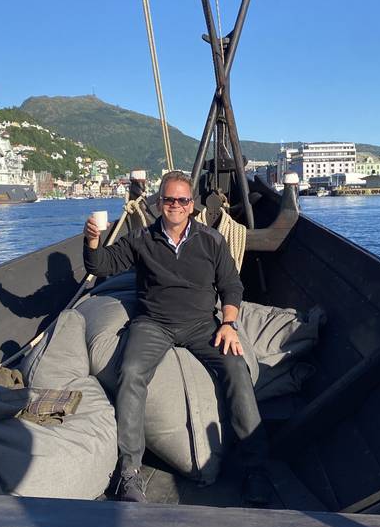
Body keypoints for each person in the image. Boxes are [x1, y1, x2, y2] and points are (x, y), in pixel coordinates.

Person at [83, 170, 271, 506]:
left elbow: (231, 286)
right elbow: (102, 266)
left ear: (192, 206)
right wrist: (93, 241)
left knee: (237, 370)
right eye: (169, 199)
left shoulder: (211, 241)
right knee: (131, 373)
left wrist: (228, 324)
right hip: (154, 323)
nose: (176, 206)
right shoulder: (141, 239)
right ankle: (129, 471)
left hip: (202, 324)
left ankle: (255, 468)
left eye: (183, 200)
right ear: (158, 203)